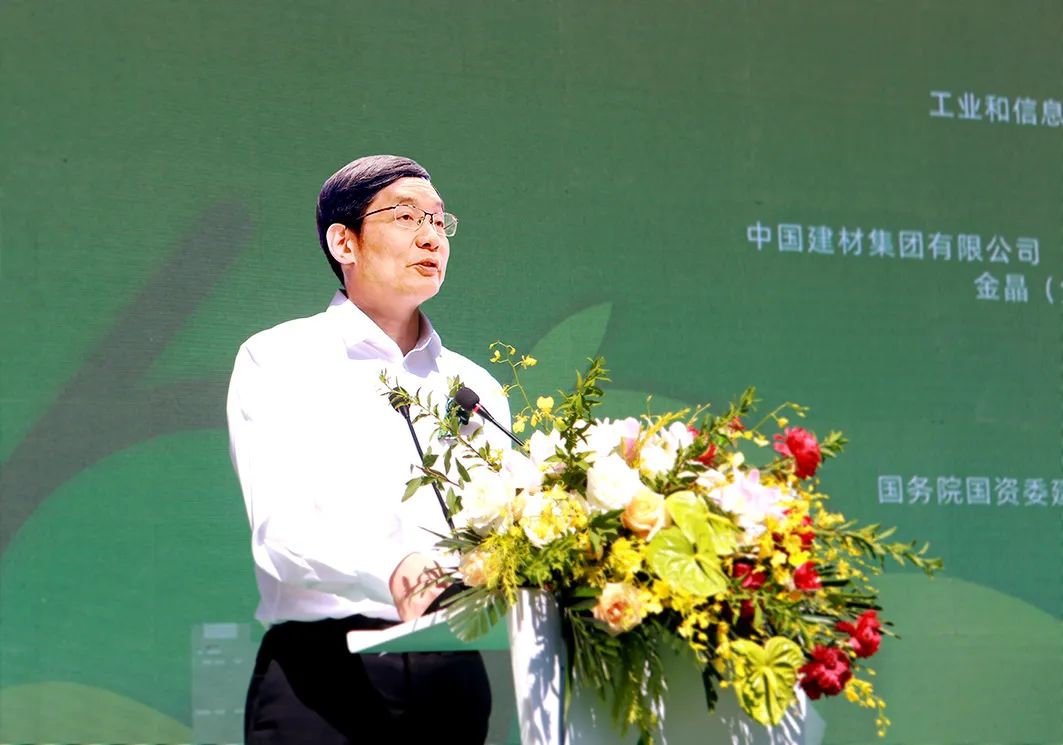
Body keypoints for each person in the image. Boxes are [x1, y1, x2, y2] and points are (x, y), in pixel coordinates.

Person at [227, 155, 510, 744]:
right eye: (406, 217)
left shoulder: (474, 387)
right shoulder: (281, 358)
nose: (431, 236)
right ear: (344, 242)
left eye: (438, 220)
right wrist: (395, 569)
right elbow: (281, 533)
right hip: (324, 680)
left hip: (452, 673)